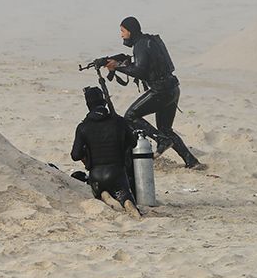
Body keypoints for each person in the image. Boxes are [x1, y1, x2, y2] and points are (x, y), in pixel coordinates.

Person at [106, 16, 203, 169]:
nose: (121, 35)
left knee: (130, 116)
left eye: (123, 31)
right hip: (173, 88)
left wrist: (117, 67)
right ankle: (192, 162)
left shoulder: (140, 45)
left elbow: (140, 71)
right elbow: (147, 65)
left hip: (161, 91)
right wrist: (123, 63)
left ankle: (161, 140)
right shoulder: (149, 41)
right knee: (165, 129)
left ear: (130, 31)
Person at [71, 86, 140, 216]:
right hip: (117, 172)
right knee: (123, 193)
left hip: (96, 174)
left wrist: (87, 153)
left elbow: (75, 155)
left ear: (88, 105)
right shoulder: (118, 121)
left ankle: (103, 195)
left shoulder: (83, 127)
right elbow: (133, 143)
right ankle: (125, 200)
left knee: (99, 190)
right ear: (104, 102)